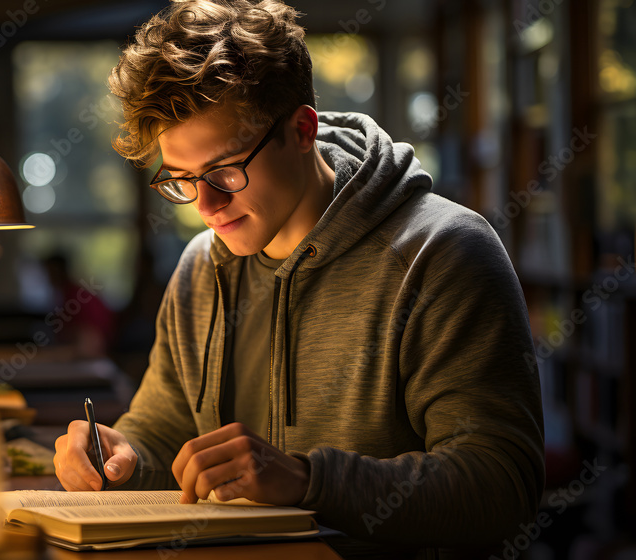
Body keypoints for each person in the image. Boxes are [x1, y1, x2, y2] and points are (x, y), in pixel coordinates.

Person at [52, 0, 544, 556]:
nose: (206, 206)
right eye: (182, 178)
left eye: (225, 170)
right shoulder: (199, 269)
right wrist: (123, 457)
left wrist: (309, 482)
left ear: (302, 129)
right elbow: (166, 434)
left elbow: (503, 488)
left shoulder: (441, 255)